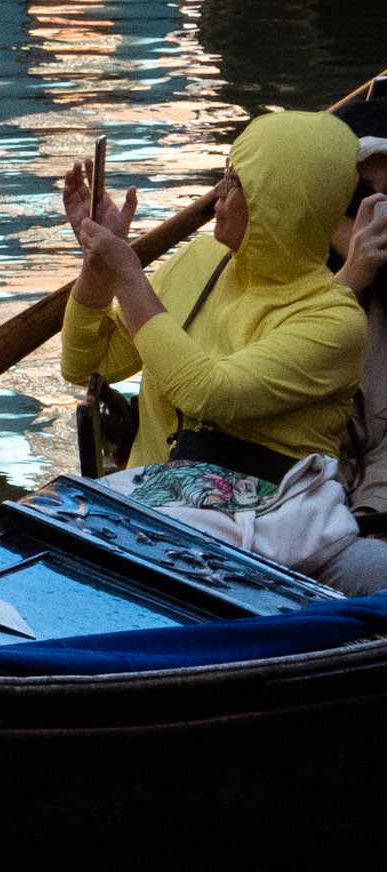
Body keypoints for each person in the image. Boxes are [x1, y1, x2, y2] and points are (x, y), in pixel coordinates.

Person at [61, 109, 387, 595]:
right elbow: (86, 363)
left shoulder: (335, 320)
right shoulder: (200, 260)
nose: (217, 194)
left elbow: (209, 393)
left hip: (270, 542)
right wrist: (98, 269)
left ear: (279, 205)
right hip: (147, 515)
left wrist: (129, 276)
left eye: (234, 183)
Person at [331, 100, 387, 530]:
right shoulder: (282, 275)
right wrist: (352, 276)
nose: (375, 216)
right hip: (306, 506)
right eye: (359, 199)